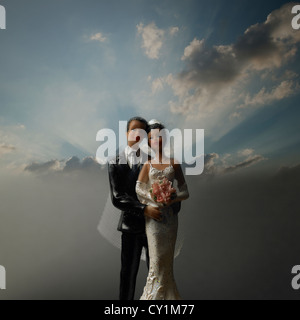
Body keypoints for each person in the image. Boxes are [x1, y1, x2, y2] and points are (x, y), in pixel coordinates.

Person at [108, 116, 181, 300]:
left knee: (156, 273)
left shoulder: (155, 160)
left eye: (143, 132)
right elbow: (117, 198)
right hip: (130, 228)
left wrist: (172, 200)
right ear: (126, 134)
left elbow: (170, 187)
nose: (138, 135)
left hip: (156, 226)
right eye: (134, 131)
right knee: (127, 275)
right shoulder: (115, 161)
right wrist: (143, 209)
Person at [135, 120, 189, 300]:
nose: (156, 141)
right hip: (154, 219)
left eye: (159, 137)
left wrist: (173, 198)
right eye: (152, 138)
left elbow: (185, 190)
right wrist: (154, 199)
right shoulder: (147, 165)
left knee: (167, 262)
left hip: (170, 218)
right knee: (156, 262)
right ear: (148, 142)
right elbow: (139, 188)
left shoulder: (174, 163)